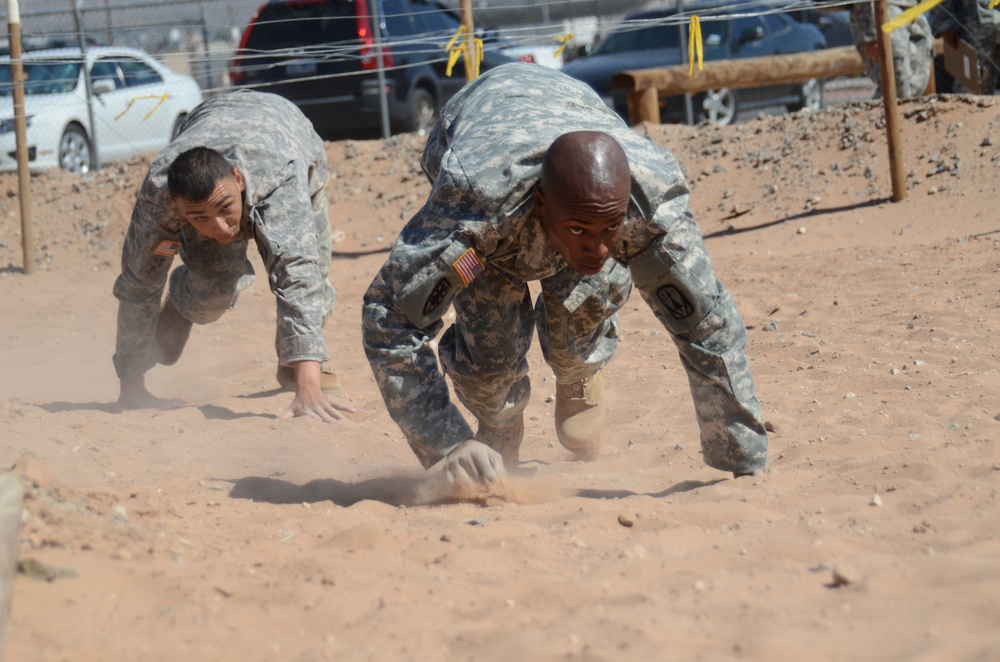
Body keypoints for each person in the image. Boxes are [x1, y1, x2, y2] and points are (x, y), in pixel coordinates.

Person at [361, 63, 768, 486]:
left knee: (581, 311)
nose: (597, 247)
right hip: (484, 149)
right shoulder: (472, 202)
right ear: (539, 205)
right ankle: (499, 424)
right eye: (579, 230)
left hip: (573, 117)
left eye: (610, 229)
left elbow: (706, 323)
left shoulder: (649, 206)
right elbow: (390, 318)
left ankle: (579, 370)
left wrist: (744, 455)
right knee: (488, 362)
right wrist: (447, 443)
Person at [113, 90, 354, 422]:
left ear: (238, 180)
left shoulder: (279, 179)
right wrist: (131, 382)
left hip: (286, 136)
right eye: (200, 218)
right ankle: (185, 299)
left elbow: (298, 275)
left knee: (315, 282)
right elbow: (139, 281)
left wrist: (308, 387)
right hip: (209, 120)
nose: (221, 228)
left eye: (225, 209)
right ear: (179, 207)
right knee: (213, 290)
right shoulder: (161, 196)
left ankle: (294, 366)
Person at [849, 0, 934, 98]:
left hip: (912, 6)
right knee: (897, 85)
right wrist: (871, 32)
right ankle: (881, 111)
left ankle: (886, 109)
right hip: (884, 10)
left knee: (918, 81)